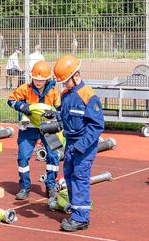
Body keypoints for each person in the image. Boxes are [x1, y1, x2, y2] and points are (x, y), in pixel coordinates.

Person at [52, 54, 104, 232]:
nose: (64, 84)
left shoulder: (89, 96)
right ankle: (76, 210)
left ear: (76, 76)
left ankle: (81, 218)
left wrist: (81, 147)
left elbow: (97, 126)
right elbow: (63, 115)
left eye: (66, 81)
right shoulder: (66, 94)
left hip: (84, 145)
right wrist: (54, 117)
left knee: (80, 178)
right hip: (70, 143)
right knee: (69, 175)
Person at [7, 60, 61, 204]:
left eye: (41, 79)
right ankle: (25, 187)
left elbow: (59, 108)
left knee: (53, 156)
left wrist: (56, 117)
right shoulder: (25, 88)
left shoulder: (53, 92)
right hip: (28, 127)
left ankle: (51, 186)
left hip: (49, 127)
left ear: (47, 79)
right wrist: (22, 106)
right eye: (36, 79)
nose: (38, 82)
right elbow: (10, 100)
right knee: (23, 157)